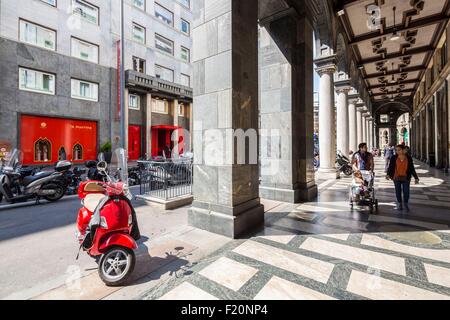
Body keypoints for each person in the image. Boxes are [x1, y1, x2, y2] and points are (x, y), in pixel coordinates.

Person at [386, 144, 420, 212]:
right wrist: (388, 174)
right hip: (396, 177)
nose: (397, 151)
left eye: (399, 150)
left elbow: (411, 168)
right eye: (396, 150)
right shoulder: (394, 157)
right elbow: (390, 167)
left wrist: (416, 177)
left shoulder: (408, 158)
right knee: (398, 191)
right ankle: (399, 203)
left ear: (403, 150)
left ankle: (406, 204)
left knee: (406, 191)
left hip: (406, 177)